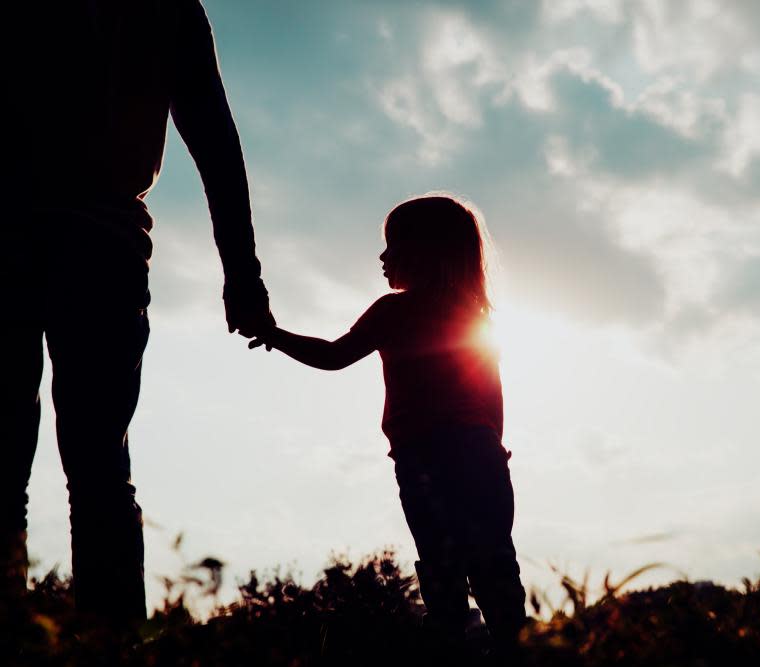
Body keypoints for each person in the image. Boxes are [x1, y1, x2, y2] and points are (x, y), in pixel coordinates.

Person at [0, 0, 273, 623]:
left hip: (57, 236)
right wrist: (242, 273)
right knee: (98, 469)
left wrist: (244, 273)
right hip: (99, 240)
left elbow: (215, 138)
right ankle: (109, 645)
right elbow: (216, 141)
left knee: (32, 463)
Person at [249, 195, 527, 658]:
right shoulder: (474, 319)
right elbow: (493, 405)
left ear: (425, 251)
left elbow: (334, 356)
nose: (383, 257)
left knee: (443, 578)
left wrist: (274, 335)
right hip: (482, 460)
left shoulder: (395, 310)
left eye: (392, 246)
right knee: (496, 572)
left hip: (426, 461)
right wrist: (491, 454)